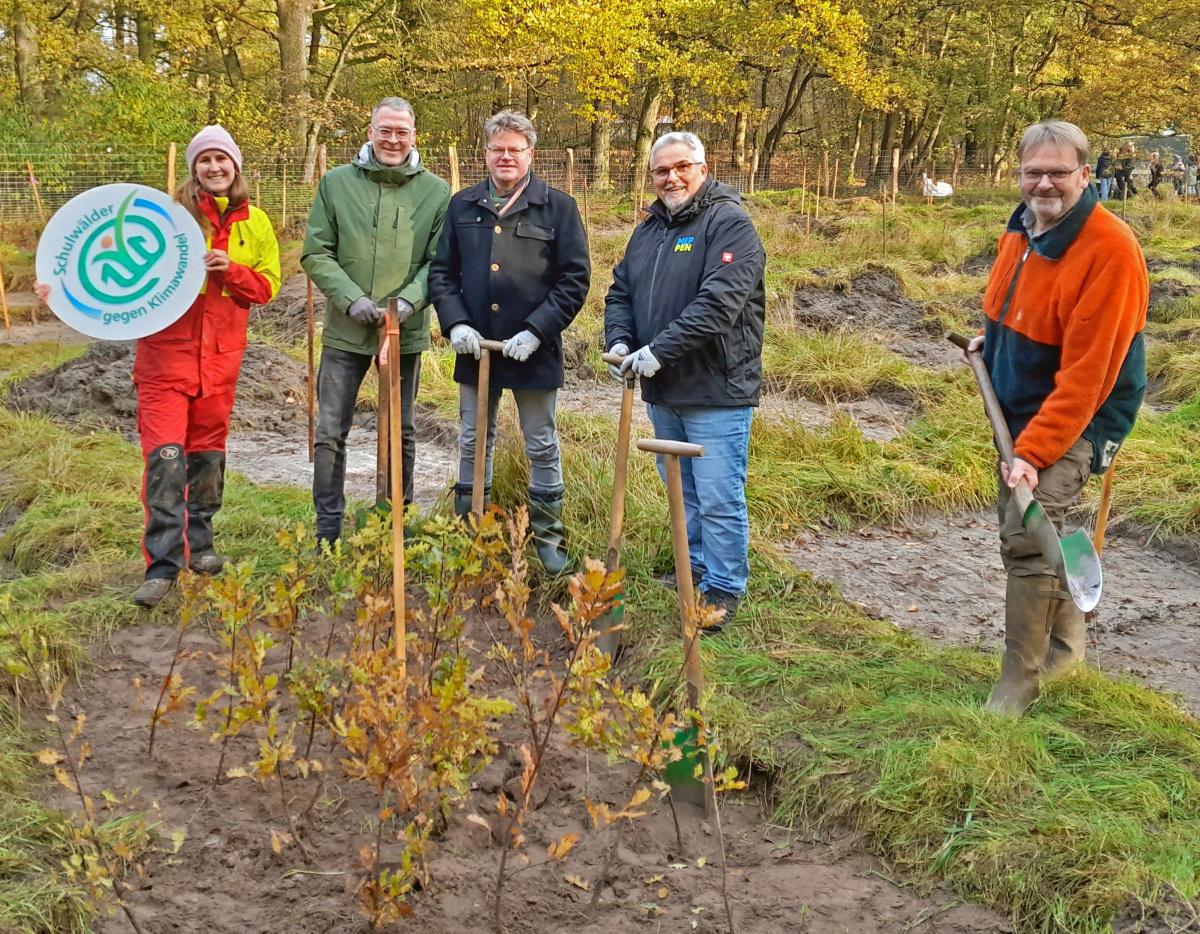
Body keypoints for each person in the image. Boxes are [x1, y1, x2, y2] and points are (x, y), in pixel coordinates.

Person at [35, 125, 281, 607]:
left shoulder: (256, 223)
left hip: (221, 362)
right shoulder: (167, 217)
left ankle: (201, 548)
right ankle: (162, 566)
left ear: (235, 166)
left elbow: (267, 287)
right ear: (193, 168)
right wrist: (63, 291)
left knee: (207, 460)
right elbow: (109, 254)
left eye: (222, 160)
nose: (214, 168)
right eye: (204, 160)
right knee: (165, 460)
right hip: (165, 361)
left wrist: (229, 270)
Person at [963, 120, 1147, 716]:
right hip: (1020, 411)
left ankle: (1019, 681)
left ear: (1085, 175)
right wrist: (989, 343)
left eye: (1058, 173)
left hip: (1077, 419)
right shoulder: (1021, 230)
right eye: (1032, 172)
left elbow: (1086, 378)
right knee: (1051, 534)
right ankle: (1066, 658)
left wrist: (1033, 454)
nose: (1044, 183)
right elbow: (1014, 308)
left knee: (1029, 543)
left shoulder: (1109, 250)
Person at [603, 131, 766, 633]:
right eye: (660, 170)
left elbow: (718, 305)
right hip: (661, 386)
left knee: (718, 495)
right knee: (684, 492)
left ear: (702, 168)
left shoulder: (729, 224)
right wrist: (624, 342)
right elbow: (620, 291)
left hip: (715, 387)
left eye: (681, 167)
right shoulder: (649, 228)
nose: (670, 177)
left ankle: (722, 589)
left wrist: (659, 351)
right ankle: (691, 570)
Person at [429, 110, 590, 573]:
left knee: (541, 441)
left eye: (514, 150)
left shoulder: (557, 207)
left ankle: (547, 541)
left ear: (530, 154)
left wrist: (538, 330)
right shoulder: (463, 205)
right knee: (473, 439)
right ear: (485, 152)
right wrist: (456, 323)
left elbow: (574, 280)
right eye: (497, 149)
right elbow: (442, 273)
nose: (505, 157)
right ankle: (471, 533)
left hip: (533, 348)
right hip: (474, 347)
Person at [302, 98, 450, 548]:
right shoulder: (336, 185)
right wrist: (350, 300)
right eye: (384, 130)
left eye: (401, 132)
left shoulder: (436, 192)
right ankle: (328, 527)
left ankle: (396, 517)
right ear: (370, 132)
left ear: (413, 136)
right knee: (330, 430)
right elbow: (316, 251)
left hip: (402, 334)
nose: (392, 139)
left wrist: (406, 303)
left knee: (400, 428)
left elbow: (438, 261)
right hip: (347, 332)